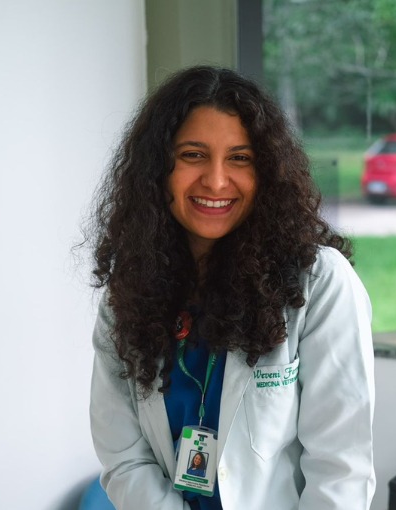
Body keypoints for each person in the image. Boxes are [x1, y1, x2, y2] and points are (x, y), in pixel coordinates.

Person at [87, 66, 375, 510]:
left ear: (267, 173)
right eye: (192, 155)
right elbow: (124, 459)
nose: (217, 181)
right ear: (158, 169)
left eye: (240, 158)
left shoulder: (319, 284)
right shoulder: (128, 293)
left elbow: (340, 470)